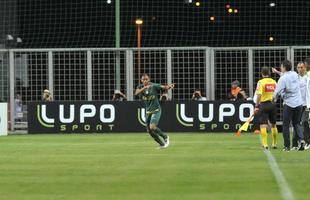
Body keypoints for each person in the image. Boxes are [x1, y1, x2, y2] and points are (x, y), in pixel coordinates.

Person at [135, 73, 175, 149]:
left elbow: (164, 87)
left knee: (152, 127)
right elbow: (136, 93)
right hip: (148, 111)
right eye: (143, 79)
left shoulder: (154, 86)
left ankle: (165, 137)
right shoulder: (140, 87)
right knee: (149, 131)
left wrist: (169, 86)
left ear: (149, 79)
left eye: (146, 79)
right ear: (141, 80)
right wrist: (144, 88)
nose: (145, 81)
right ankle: (162, 144)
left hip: (156, 110)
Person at [273, 60, 305, 151]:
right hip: (299, 103)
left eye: (281, 66)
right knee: (296, 123)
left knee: (286, 125)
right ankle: (302, 140)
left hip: (289, 104)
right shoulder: (295, 74)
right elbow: (286, 76)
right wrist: (277, 72)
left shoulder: (282, 79)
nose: (281, 68)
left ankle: (287, 146)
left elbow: (277, 91)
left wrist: (273, 99)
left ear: (284, 67)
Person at [254, 67, 278, 149]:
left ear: (262, 73)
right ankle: (274, 144)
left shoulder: (261, 82)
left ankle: (265, 144)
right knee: (273, 124)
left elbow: (259, 94)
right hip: (272, 104)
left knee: (263, 125)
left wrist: (256, 106)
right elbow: (277, 93)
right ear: (269, 73)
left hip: (264, 105)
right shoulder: (274, 82)